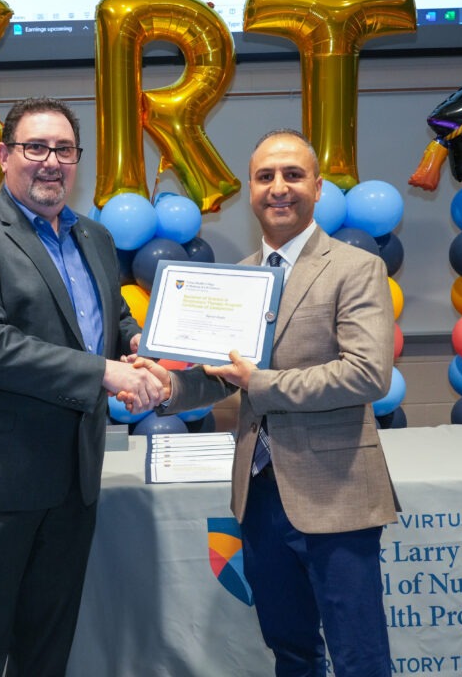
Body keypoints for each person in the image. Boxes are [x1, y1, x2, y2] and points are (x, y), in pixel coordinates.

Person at [129, 129, 398, 677]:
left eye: (293, 175)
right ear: (250, 190)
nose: (279, 187)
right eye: (265, 176)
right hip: (259, 496)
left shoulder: (355, 267)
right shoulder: (239, 277)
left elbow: (368, 374)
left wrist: (263, 383)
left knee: (359, 657)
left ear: (317, 188)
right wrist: (168, 386)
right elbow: (224, 379)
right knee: (290, 651)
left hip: (336, 491)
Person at [0, 96, 166, 676]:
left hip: (73, 480)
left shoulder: (95, 237)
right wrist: (106, 372)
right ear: (4, 155)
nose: (51, 161)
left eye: (64, 149)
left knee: (47, 653)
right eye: (35, 147)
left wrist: (145, 345)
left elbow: (110, 321)